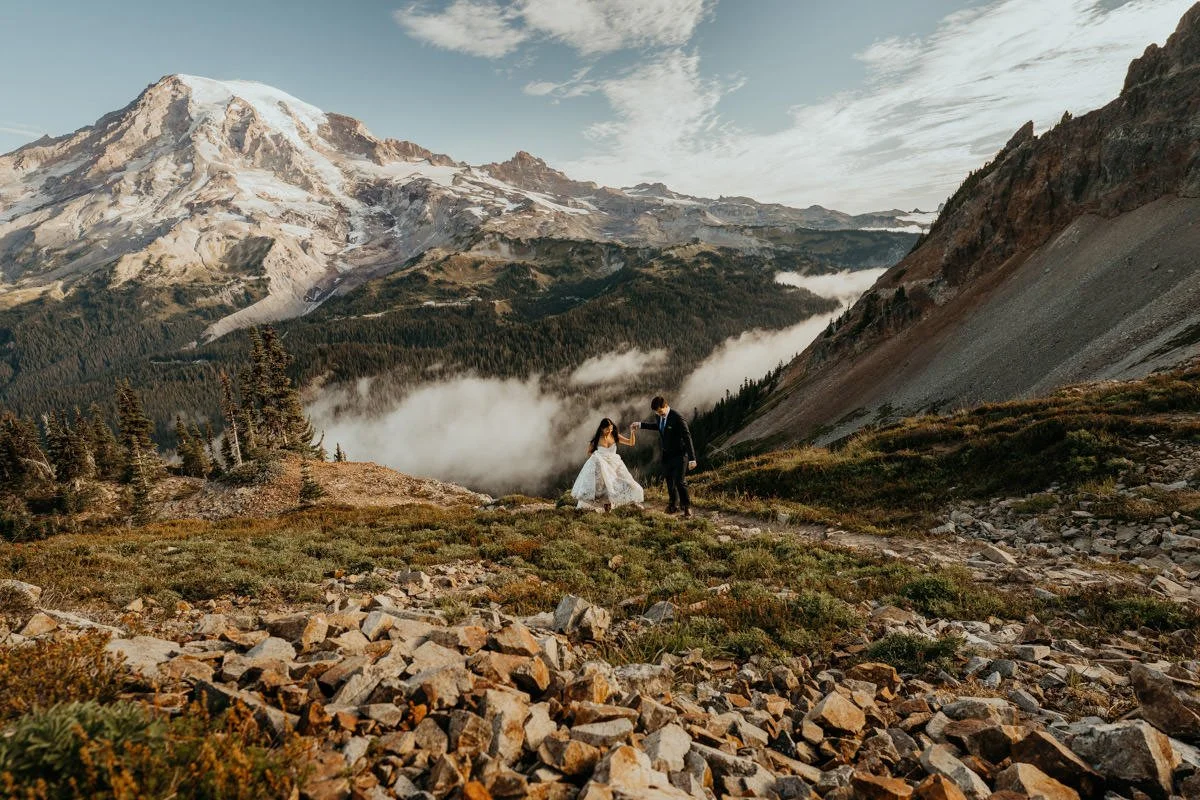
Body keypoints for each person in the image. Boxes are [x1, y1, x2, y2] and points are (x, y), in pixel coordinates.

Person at [632, 396, 696, 517]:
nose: (658, 414)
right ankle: (673, 505)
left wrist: (692, 459)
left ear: (665, 406)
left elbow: (687, 437)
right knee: (669, 481)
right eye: (656, 412)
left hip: (680, 455)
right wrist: (640, 425)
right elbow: (660, 427)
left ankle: (687, 507)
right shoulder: (659, 416)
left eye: (660, 411)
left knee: (680, 481)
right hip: (667, 455)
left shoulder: (677, 417)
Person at [570, 417, 644, 512]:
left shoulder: (615, 436)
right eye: (607, 429)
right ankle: (606, 510)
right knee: (604, 487)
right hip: (602, 465)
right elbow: (589, 452)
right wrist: (597, 458)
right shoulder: (597, 439)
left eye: (611, 428)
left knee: (624, 482)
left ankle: (628, 503)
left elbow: (631, 443)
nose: (610, 431)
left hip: (615, 464)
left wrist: (632, 432)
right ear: (602, 429)